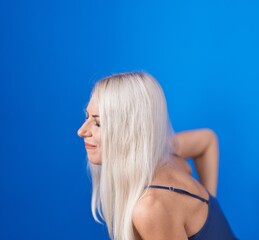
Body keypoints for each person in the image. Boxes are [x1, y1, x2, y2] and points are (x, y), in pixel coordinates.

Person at [77, 72, 237, 240]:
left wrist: (210, 209)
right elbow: (207, 140)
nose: (81, 131)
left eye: (99, 123)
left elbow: (207, 139)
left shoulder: (150, 208)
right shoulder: (166, 154)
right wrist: (211, 206)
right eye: (87, 116)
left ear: (129, 130)